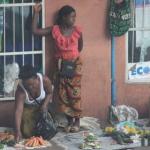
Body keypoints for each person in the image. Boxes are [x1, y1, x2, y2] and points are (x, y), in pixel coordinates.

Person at [32, 4, 83, 133]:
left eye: (74, 17)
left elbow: (80, 47)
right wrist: (36, 13)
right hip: (60, 66)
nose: (74, 19)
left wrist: (71, 59)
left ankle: (77, 121)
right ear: (64, 17)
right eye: (72, 17)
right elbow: (35, 31)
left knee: (74, 94)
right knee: (62, 94)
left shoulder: (77, 31)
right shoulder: (54, 30)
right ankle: (69, 121)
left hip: (75, 66)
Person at [14, 65, 52, 142]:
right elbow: (18, 111)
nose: (30, 87)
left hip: (41, 107)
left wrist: (44, 105)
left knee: (47, 129)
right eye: (27, 85)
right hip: (27, 111)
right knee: (27, 133)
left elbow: (49, 93)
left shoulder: (45, 80)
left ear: (36, 78)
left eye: (32, 84)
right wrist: (17, 131)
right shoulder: (20, 91)